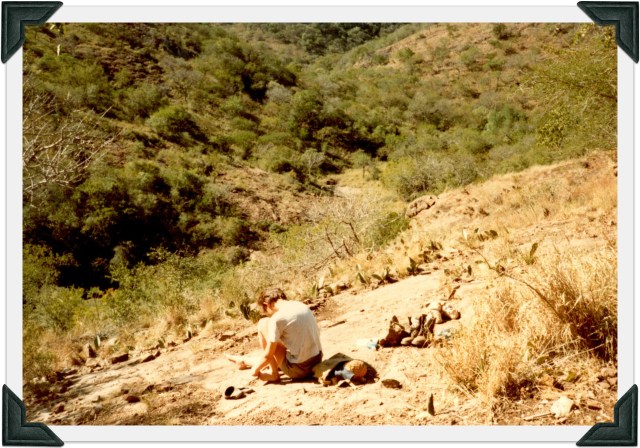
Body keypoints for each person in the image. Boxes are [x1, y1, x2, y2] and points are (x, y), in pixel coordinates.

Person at [226, 288, 323, 383]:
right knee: (278, 341)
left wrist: (254, 371)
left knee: (263, 323)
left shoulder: (277, 318)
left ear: (266, 305)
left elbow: (268, 356)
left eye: (265, 311)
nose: (268, 314)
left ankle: (273, 373)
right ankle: (243, 361)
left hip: (299, 370)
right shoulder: (300, 305)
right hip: (317, 361)